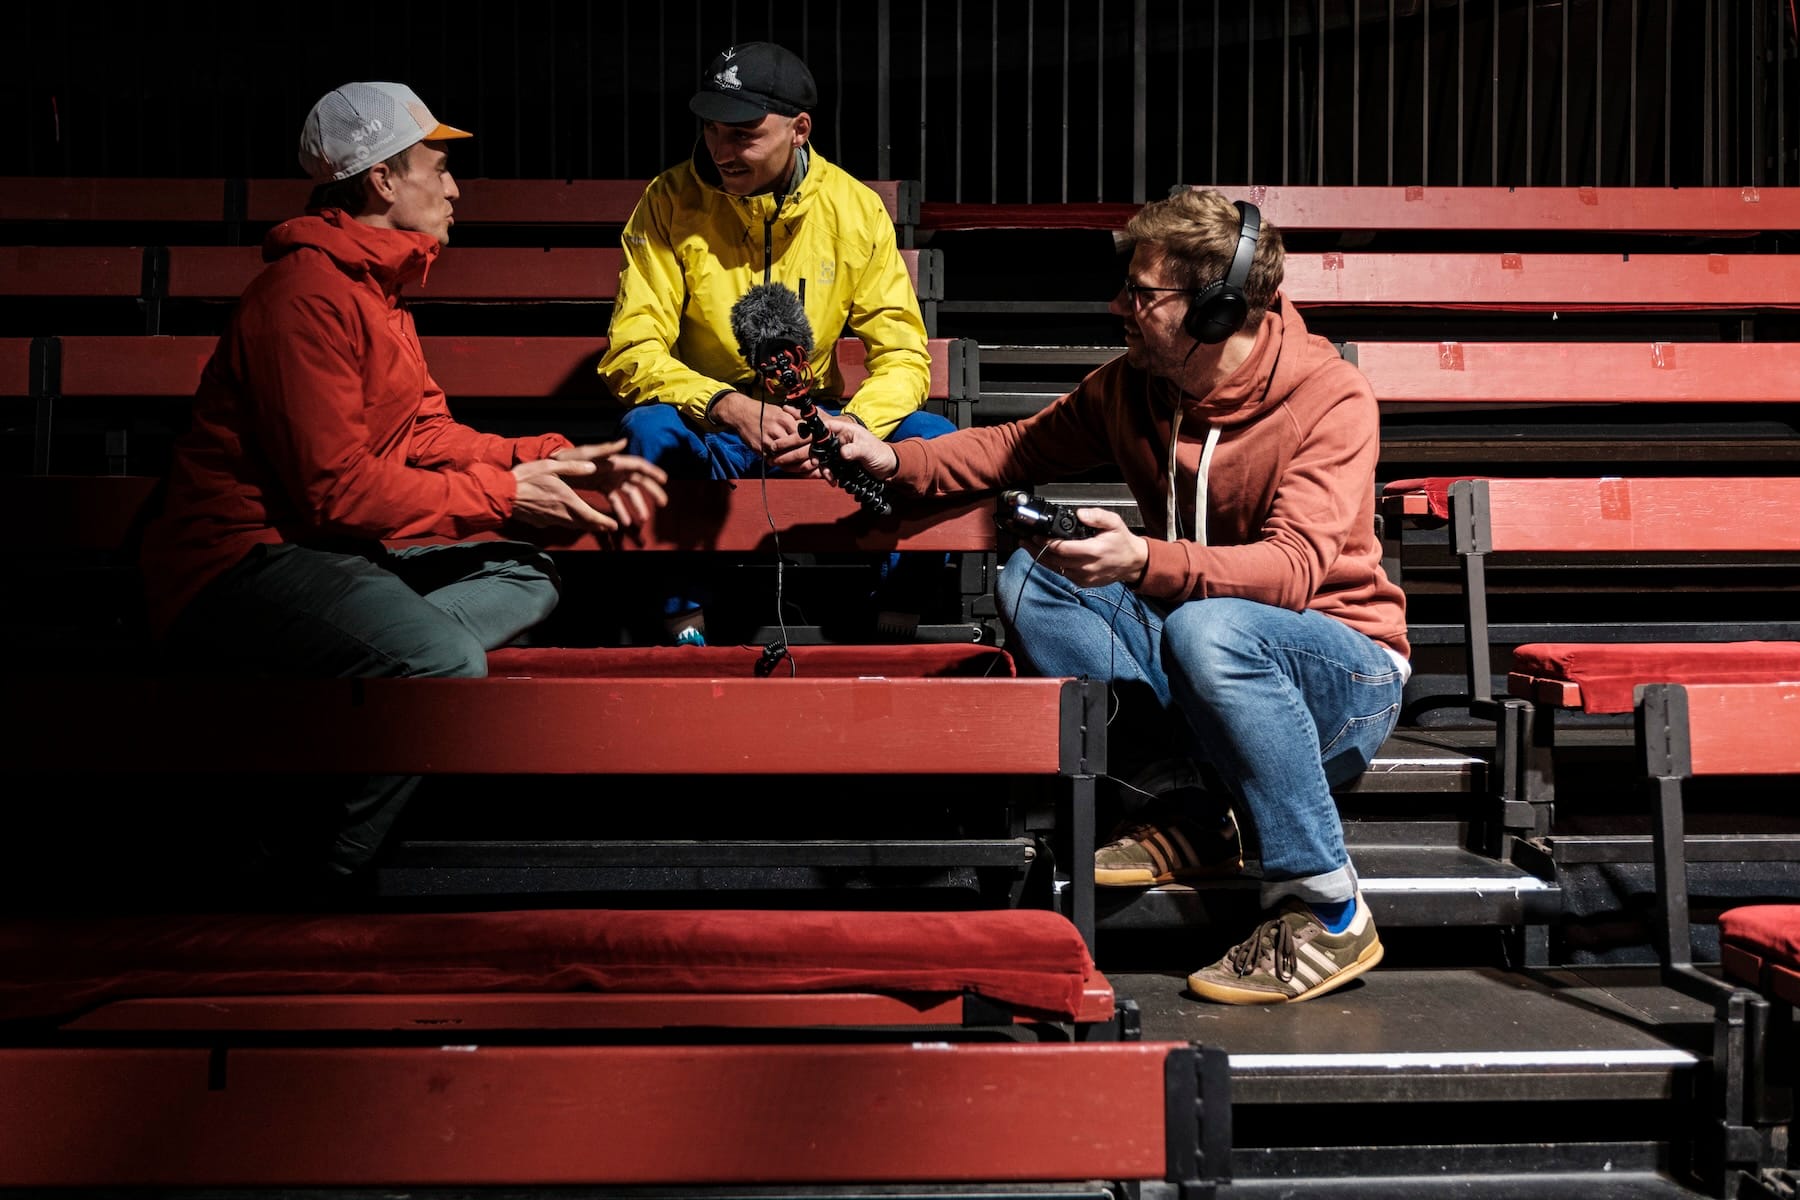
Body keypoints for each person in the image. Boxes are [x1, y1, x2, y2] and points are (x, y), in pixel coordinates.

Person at [823, 189, 1411, 1005]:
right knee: (1035, 573)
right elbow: (1011, 449)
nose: (1119, 307)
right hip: (1206, 661)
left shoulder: (1330, 398)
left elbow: (1292, 571)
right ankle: (1189, 812)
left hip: (1340, 679)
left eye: (1143, 294)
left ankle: (1329, 908)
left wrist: (1140, 559)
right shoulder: (1137, 383)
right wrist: (891, 461)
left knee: (1209, 628)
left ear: (1215, 310)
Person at [138, 81, 669, 890]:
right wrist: (504, 495)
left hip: (328, 556)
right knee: (446, 663)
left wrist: (544, 456)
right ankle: (310, 872)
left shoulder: (378, 289)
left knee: (525, 575)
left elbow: (421, 431)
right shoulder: (305, 297)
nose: (454, 187)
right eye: (438, 166)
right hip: (239, 565)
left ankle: (360, 668)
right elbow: (336, 492)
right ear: (382, 179)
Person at [599, 41, 955, 645]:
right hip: (714, 423)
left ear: (799, 129)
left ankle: (893, 626)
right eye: (712, 128)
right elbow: (633, 350)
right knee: (649, 430)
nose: (720, 148)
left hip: (821, 421)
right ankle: (685, 628)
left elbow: (902, 353)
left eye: (742, 133)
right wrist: (723, 405)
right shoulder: (668, 201)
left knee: (936, 442)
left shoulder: (853, 208)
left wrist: (854, 429)